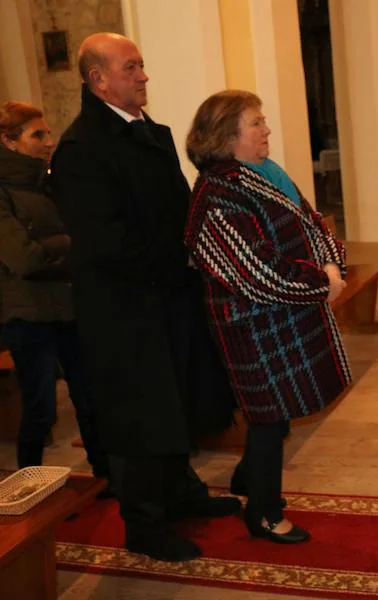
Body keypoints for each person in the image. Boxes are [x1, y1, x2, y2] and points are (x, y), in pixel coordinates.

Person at [51, 33, 240, 562]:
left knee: (173, 399)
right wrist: (177, 258)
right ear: (99, 79)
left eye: (142, 66)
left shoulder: (149, 134)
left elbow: (174, 210)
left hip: (167, 297)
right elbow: (105, 240)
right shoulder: (82, 148)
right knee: (138, 413)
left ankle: (181, 493)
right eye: (132, 67)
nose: (144, 76)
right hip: (124, 309)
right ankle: (144, 522)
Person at [184, 90, 352, 544]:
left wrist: (332, 263)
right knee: (267, 417)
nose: (267, 129)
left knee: (272, 419)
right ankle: (262, 512)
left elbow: (311, 222)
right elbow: (257, 271)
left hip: (281, 318)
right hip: (253, 326)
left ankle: (249, 480)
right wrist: (322, 281)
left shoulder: (261, 174)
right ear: (227, 135)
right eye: (256, 122)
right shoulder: (217, 196)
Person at [0, 101, 107, 478]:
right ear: (9, 142)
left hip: (67, 304)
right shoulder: (4, 192)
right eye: (37, 134)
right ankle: (27, 486)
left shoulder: (46, 183)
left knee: (89, 396)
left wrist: (63, 247)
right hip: (27, 314)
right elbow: (23, 259)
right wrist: (67, 243)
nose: (49, 141)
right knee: (41, 408)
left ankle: (105, 475)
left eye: (48, 132)